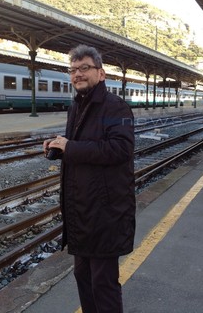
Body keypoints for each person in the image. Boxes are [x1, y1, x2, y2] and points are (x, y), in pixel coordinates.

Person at [43, 44, 136, 313]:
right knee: (83, 277)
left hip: (106, 212)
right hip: (81, 210)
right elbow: (82, 147)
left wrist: (70, 147)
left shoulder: (115, 108)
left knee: (102, 282)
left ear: (101, 73)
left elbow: (120, 149)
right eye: (73, 70)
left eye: (84, 68)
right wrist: (59, 148)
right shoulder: (77, 106)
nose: (77, 74)